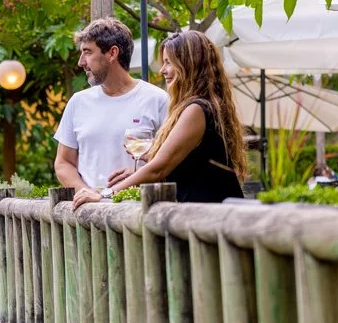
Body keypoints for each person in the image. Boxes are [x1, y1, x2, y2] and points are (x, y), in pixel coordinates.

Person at [72, 30, 247, 206]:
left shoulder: (197, 110)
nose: (163, 70)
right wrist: (138, 172)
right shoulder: (203, 106)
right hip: (208, 211)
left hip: (213, 214)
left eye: (168, 62)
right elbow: (188, 165)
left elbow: (159, 168)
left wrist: (105, 194)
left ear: (189, 64)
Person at [54, 17, 169, 191]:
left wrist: (139, 174)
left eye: (88, 52)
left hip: (142, 206)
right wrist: (87, 193)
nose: (81, 62)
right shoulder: (78, 102)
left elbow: (171, 161)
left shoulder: (158, 100)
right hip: (90, 207)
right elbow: (63, 163)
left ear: (112, 53)